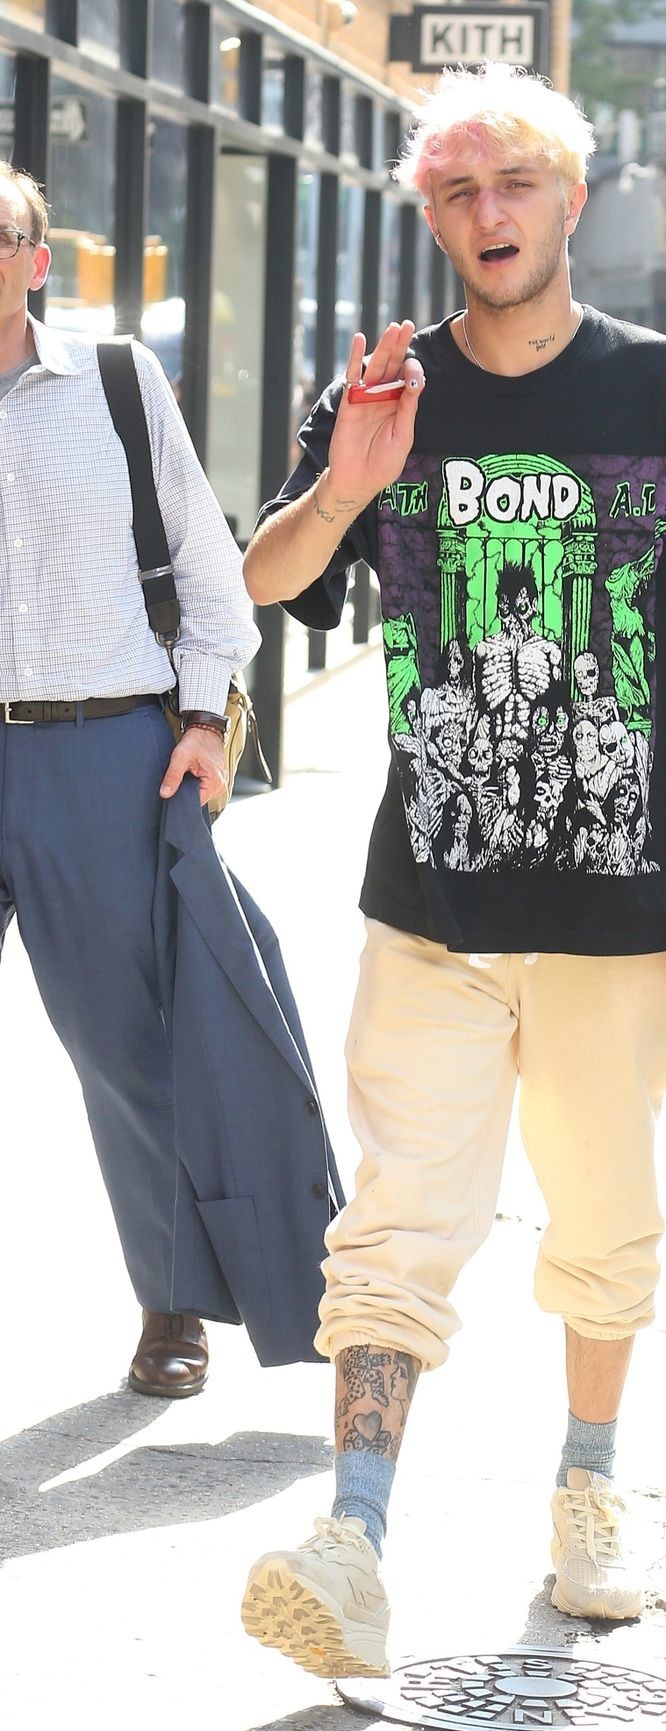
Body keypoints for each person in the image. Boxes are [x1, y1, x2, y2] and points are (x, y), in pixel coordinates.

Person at [237, 63, 666, 1679]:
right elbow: (267, 579)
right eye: (456, 193)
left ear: (571, 201)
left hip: (620, 910)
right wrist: (350, 482)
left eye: (512, 185)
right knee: (395, 1226)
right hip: (430, 900)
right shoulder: (387, 390)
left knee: (604, 1215)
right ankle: (352, 1539)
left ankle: (590, 1495)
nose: (486, 215)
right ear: (434, 219)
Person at [0, 162, 259, 1398]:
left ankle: (171, 1301)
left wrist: (203, 715)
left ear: (37, 258)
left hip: (99, 753)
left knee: (123, 1046)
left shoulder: (117, 381)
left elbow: (209, 570)